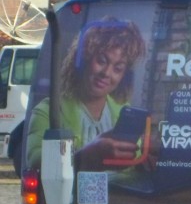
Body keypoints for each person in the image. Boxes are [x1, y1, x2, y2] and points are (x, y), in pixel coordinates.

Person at [26, 17, 146, 171]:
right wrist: (87, 155)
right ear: (84, 58)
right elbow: (35, 163)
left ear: (124, 75)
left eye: (118, 68)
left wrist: (146, 158)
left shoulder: (124, 112)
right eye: (101, 61)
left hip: (118, 195)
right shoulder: (48, 111)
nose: (107, 73)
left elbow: (134, 160)